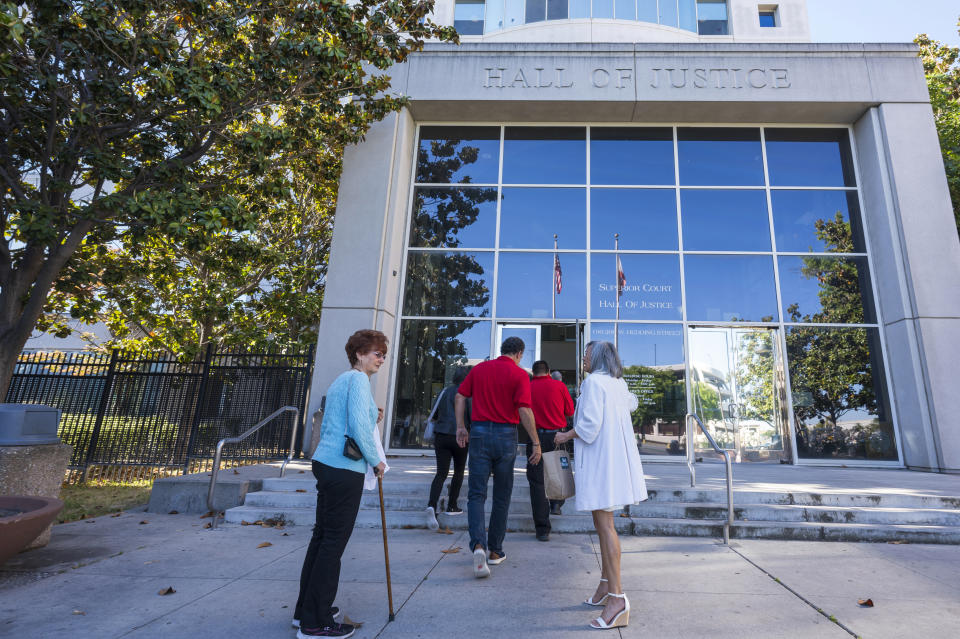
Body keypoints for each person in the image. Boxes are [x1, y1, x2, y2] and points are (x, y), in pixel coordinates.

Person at [294, 329, 388, 639]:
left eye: (383, 354)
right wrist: (377, 460)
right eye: (377, 353)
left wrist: (369, 416)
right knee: (332, 544)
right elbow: (360, 427)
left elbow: (348, 421)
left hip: (326, 462)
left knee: (321, 539)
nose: (382, 359)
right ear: (360, 353)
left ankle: (305, 612)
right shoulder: (359, 380)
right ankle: (315, 623)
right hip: (344, 467)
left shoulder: (341, 380)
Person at [555, 341, 646, 631]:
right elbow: (629, 405)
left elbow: (589, 427)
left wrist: (565, 435)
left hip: (602, 465)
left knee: (605, 526)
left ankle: (617, 599)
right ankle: (607, 584)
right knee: (601, 523)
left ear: (596, 358)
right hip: (613, 462)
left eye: (586, 354)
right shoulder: (617, 383)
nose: (582, 358)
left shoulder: (593, 382)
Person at [455, 336, 541, 578]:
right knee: (502, 495)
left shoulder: (480, 369)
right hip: (506, 435)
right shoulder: (520, 375)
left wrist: (461, 426)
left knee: (476, 494)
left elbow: (460, 396)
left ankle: (478, 546)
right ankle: (495, 551)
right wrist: (535, 441)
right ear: (520, 353)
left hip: (480, 432)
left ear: (502, 350)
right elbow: (524, 408)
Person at [527, 359, 575, 541]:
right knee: (559, 473)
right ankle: (556, 504)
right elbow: (570, 411)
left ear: (533, 372)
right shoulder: (559, 386)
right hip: (558, 437)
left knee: (537, 481)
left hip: (535, 438)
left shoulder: (527, 387)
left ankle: (542, 529)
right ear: (548, 371)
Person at [425, 366, 471, 529]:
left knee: (441, 473)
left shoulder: (444, 391)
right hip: (460, 437)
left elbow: (434, 414)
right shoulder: (467, 393)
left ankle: (432, 505)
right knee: (459, 471)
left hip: (441, 435)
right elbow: (471, 415)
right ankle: (452, 505)